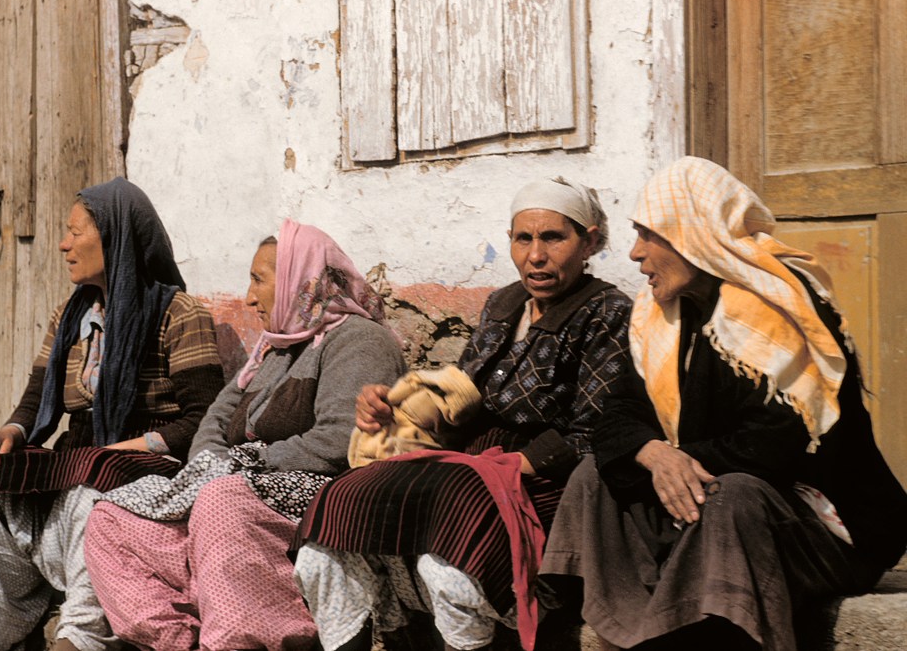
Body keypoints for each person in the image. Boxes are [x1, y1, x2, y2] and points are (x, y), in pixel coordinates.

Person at [539, 156, 907, 650]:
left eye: (650, 234)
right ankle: (621, 624)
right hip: (709, 516)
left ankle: (705, 630)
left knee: (734, 495)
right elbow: (617, 414)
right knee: (594, 473)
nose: (634, 253)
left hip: (821, 529)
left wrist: (680, 458)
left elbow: (777, 446)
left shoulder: (779, 309)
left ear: (694, 234)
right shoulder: (662, 316)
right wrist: (654, 453)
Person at [293, 178, 633, 651]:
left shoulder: (608, 312)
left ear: (590, 241)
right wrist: (397, 409)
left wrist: (506, 467)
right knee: (338, 509)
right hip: (468, 467)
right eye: (523, 238)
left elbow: (594, 432)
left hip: (542, 476)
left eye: (554, 238)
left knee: (450, 562)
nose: (535, 255)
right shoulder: (504, 303)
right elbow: (463, 394)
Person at [0, 178, 225, 650]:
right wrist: (8, 432)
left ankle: (82, 637)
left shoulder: (180, 314)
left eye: (75, 231)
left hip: (149, 471)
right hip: (81, 461)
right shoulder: (70, 316)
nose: (63, 244)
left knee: (94, 482)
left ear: (115, 237)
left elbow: (206, 418)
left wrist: (131, 447)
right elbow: (34, 401)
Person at [83, 219, 405, 651]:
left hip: (316, 494)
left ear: (299, 276)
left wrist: (242, 465)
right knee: (113, 519)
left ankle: (249, 639)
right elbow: (215, 420)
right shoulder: (275, 348)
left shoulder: (360, 341)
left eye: (259, 280)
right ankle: (179, 643)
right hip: (237, 488)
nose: (249, 296)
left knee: (222, 502)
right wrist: (214, 467)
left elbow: (337, 440)